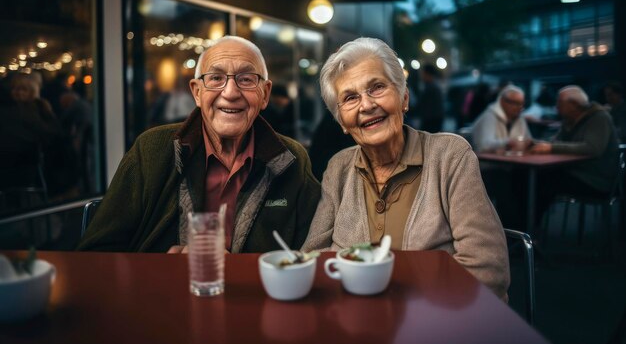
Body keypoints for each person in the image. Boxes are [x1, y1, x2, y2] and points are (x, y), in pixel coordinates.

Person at [301, 37, 510, 300]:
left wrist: (389, 297)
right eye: (351, 97)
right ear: (341, 121)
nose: (366, 105)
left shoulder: (450, 157)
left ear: (404, 98)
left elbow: (489, 270)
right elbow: (312, 258)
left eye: (376, 87)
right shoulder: (339, 167)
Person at [78, 36, 320, 253]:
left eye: (246, 79)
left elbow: (311, 251)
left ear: (265, 94)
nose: (231, 92)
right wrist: (161, 268)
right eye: (216, 78)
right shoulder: (151, 149)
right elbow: (97, 251)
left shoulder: (292, 158)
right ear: (196, 92)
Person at [530, 85, 619, 218]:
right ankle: (522, 226)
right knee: (531, 177)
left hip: (596, 180)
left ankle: (528, 228)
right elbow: (553, 142)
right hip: (575, 172)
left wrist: (551, 147)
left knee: (542, 180)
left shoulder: (599, 117)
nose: (556, 106)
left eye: (560, 102)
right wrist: (533, 142)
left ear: (574, 104)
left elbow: (593, 148)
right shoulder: (569, 120)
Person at [472, 85, 532, 153]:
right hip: (488, 162)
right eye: (515, 103)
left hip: (512, 160)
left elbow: (528, 141)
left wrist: (533, 145)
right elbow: (484, 146)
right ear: (502, 101)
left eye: (522, 104)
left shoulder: (519, 118)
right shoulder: (489, 117)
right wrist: (507, 143)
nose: (520, 107)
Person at [415, 63, 444, 133]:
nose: (421, 75)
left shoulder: (431, 88)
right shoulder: (433, 86)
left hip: (430, 123)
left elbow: (427, 107)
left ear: (427, 74)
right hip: (433, 121)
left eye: (423, 73)